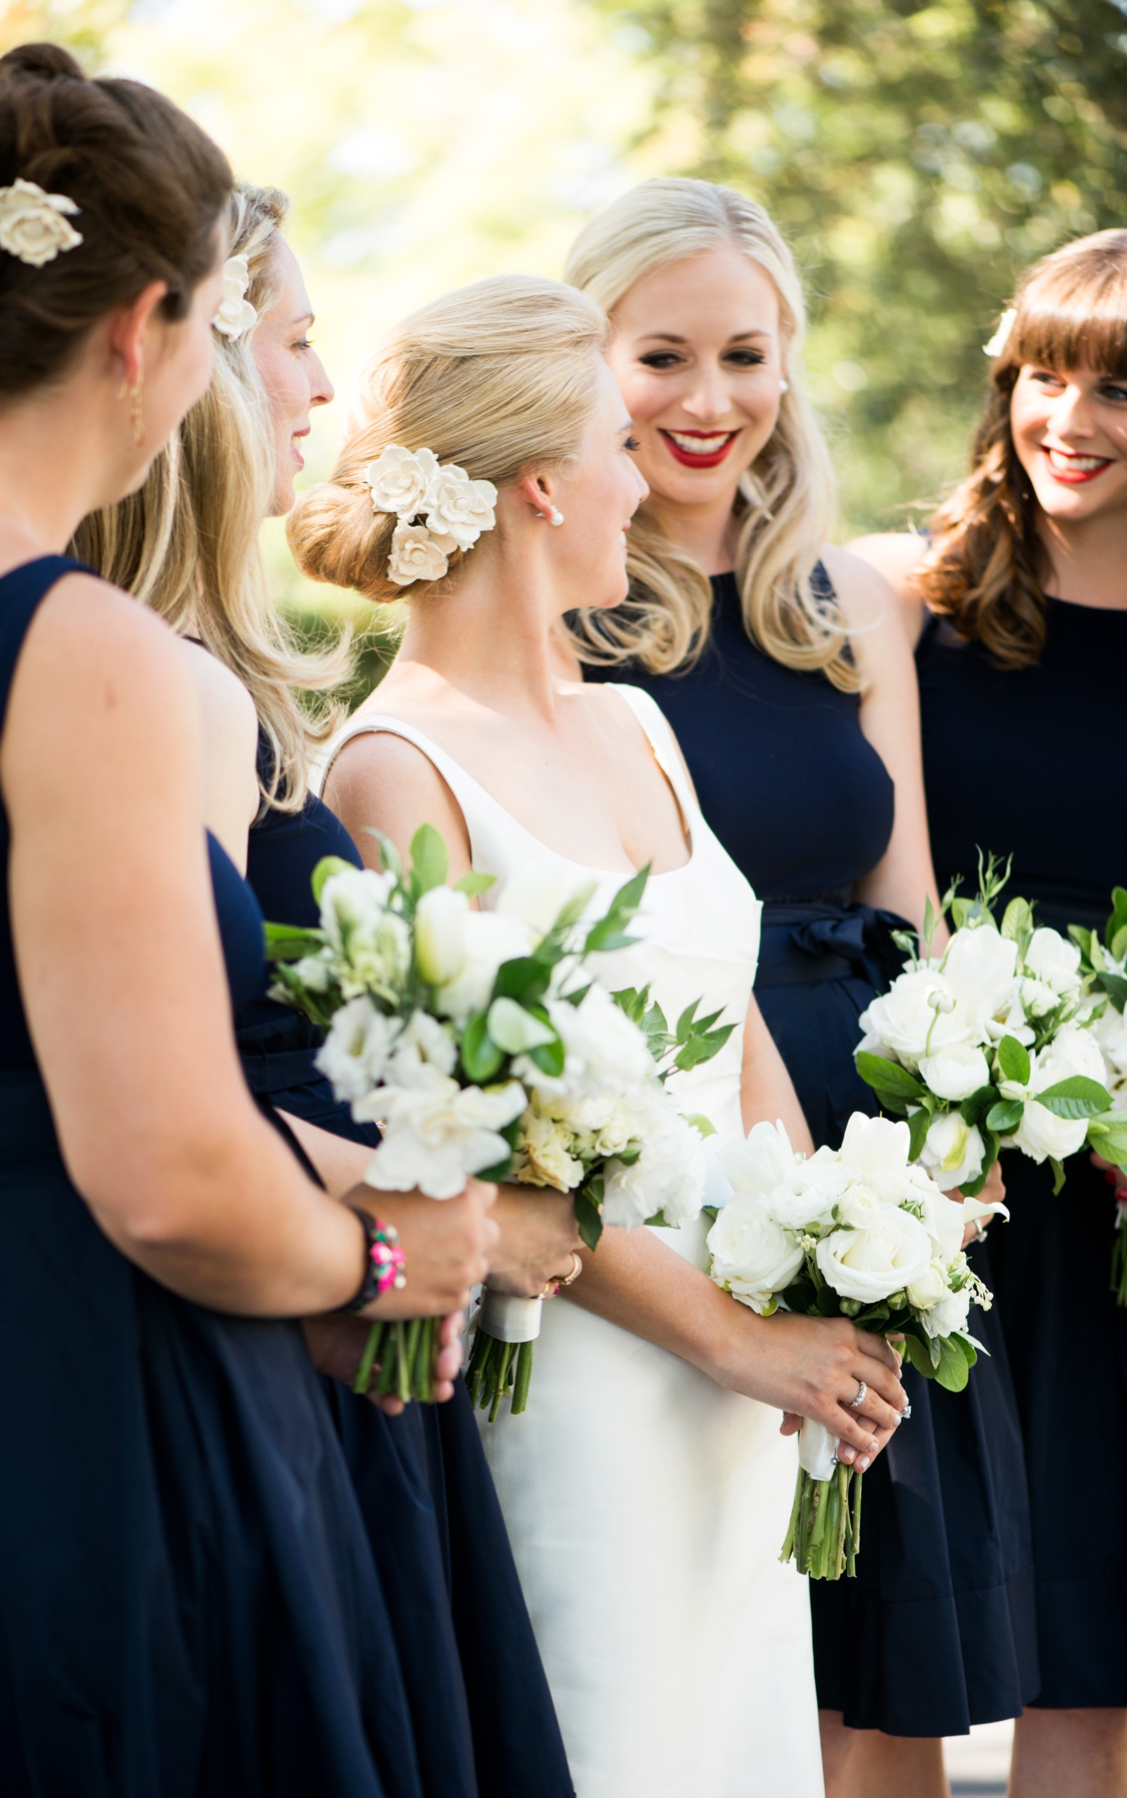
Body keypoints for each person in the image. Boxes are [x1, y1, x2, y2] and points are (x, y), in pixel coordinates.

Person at [0, 44, 496, 1795]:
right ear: (143, 327)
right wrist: (397, 1260)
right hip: (44, 1401)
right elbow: (161, 1171)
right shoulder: (70, 645)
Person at [286, 271, 911, 1798]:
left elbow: (730, 1010)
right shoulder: (392, 769)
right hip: (578, 1380)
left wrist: (834, 1238)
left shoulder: (642, 722)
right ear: (542, 485)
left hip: (736, 1402)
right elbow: (492, 1139)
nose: (648, 475)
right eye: (616, 444)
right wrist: (732, 1334)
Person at [75, 179, 577, 1798]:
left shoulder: (235, 683)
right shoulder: (131, 695)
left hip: (357, 1349)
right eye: (293, 343)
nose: (317, 391)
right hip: (259, 1339)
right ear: (195, 363)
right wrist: (384, 1213)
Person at [559, 177, 1033, 1798]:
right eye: (661, 357)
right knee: (729, 1637)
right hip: (687, 1149)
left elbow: (910, 907)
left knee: (886, 1678)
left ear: (791, 366)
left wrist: (949, 1156)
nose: (710, 402)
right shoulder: (564, 616)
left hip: (877, 1164)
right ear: (588, 366)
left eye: (746, 355)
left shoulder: (854, 603)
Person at [851, 228, 1127, 1798]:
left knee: (1098, 1654)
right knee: (909, 1645)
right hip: (941, 1169)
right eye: (1043, 373)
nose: (1068, 419)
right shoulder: (908, 598)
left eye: (1117, 387)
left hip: (1122, 1197)